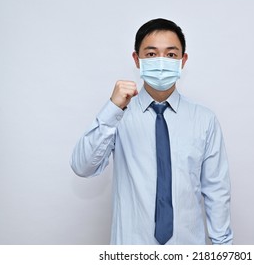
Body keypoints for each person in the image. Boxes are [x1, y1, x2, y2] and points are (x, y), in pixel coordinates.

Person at [70, 18, 233, 245]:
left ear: (183, 61)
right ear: (137, 59)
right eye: (151, 54)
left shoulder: (204, 120)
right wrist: (113, 109)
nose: (161, 62)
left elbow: (217, 192)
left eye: (171, 55)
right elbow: (83, 166)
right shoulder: (118, 116)